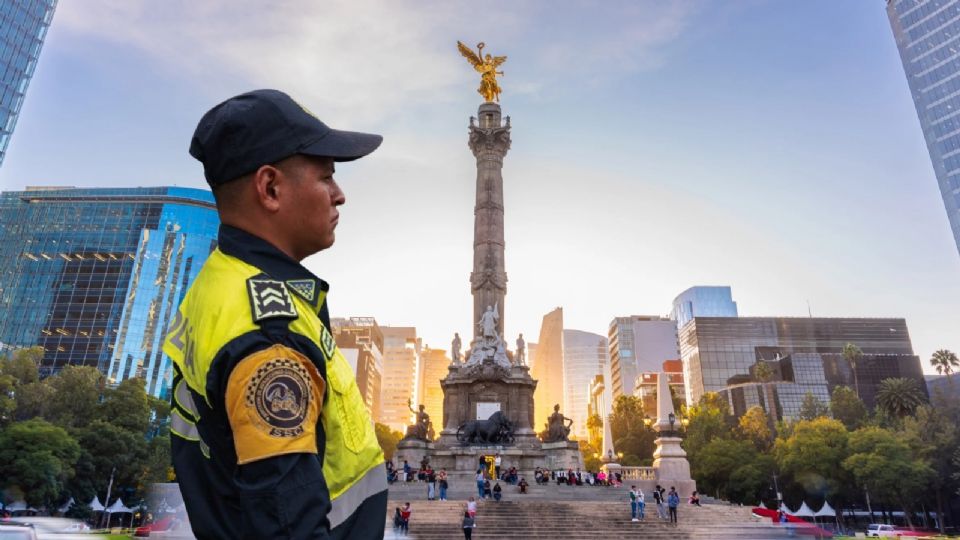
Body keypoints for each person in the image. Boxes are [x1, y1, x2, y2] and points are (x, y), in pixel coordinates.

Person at [163, 89, 385, 539]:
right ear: (270, 188)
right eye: (326, 177)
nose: (339, 195)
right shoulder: (269, 336)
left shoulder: (222, 283)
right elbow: (289, 529)